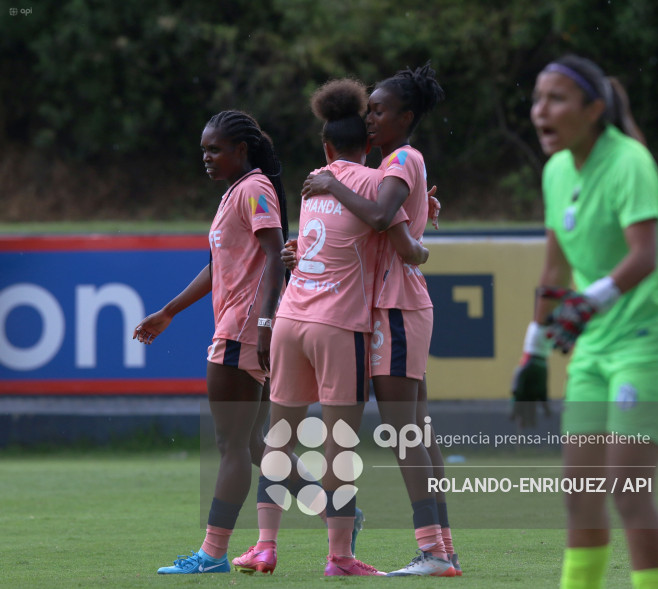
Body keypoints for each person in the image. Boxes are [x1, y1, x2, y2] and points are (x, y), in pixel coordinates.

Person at [512, 55, 658, 589]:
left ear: (594, 109)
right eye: (537, 99)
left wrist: (589, 301)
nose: (540, 110)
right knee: (580, 494)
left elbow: (645, 255)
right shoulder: (556, 170)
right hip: (595, 349)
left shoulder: (629, 161)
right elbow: (554, 269)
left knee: (628, 490)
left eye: (556, 99)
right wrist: (534, 351)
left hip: (650, 344)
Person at [247, 77, 429, 577]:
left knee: (279, 436)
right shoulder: (375, 184)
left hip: (290, 319)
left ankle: (264, 547)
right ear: (367, 145)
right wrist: (421, 229)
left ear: (326, 146)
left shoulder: (312, 182)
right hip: (339, 325)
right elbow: (393, 234)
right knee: (338, 445)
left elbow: (314, 245)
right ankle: (339, 557)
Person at [301, 63, 460, 577]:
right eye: (368, 110)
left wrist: (331, 184)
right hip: (401, 303)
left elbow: (378, 216)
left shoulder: (401, 159)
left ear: (405, 117)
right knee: (418, 431)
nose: (369, 117)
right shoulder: (399, 163)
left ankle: (433, 552)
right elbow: (385, 223)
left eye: (379, 110)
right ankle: (443, 549)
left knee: (404, 433)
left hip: (395, 306)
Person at [134, 110, 293, 575]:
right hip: (245, 326)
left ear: (241, 150)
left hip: (243, 329)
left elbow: (275, 255)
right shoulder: (236, 191)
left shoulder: (255, 189)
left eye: (215, 149)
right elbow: (219, 266)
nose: (206, 157)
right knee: (253, 444)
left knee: (231, 444)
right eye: (203, 149)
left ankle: (212, 553)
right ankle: (339, 510)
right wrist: (169, 310)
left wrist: (264, 322)